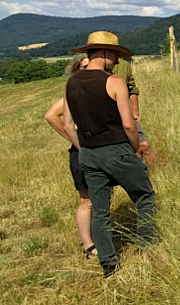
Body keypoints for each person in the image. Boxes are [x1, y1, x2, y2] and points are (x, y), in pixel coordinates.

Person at [62, 31, 157, 278]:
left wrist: (84, 150)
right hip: (117, 149)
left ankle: (108, 264)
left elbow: (67, 123)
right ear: (104, 53)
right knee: (145, 197)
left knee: (101, 210)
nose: (117, 61)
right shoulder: (114, 82)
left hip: (88, 154)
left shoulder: (71, 83)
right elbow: (128, 124)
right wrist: (136, 148)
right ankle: (147, 248)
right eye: (115, 55)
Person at [43, 53, 97, 259]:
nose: (89, 70)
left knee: (101, 198)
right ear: (76, 70)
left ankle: (102, 236)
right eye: (84, 68)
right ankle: (89, 245)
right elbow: (50, 115)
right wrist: (76, 142)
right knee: (87, 201)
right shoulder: (73, 92)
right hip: (83, 152)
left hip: (98, 148)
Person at [112, 59, 156, 164]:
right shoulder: (89, 65)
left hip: (125, 113)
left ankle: (156, 175)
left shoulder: (124, 65)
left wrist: (135, 112)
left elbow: (132, 89)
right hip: (106, 116)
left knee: (143, 145)